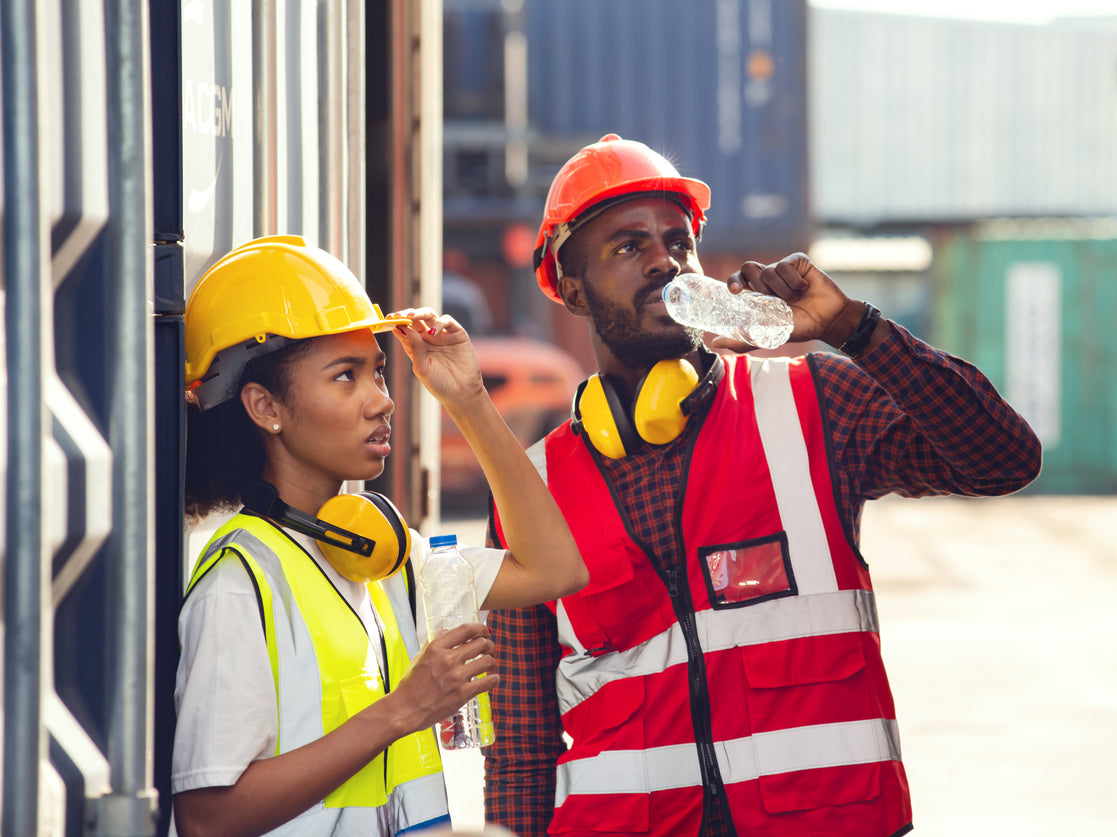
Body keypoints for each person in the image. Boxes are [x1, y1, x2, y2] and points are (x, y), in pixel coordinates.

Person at [481, 134, 1042, 837]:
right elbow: (522, 747)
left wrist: (853, 328)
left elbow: (1002, 458)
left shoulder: (813, 405)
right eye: (627, 246)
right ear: (568, 287)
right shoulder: (528, 494)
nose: (663, 260)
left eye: (676, 241)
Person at [172, 235, 587, 837]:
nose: (382, 402)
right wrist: (405, 710)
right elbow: (208, 818)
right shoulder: (241, 581)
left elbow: (556, 571)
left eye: (380, 373)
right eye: (346, 377)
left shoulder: (381, 554)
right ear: (266, 407)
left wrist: (469, 400)